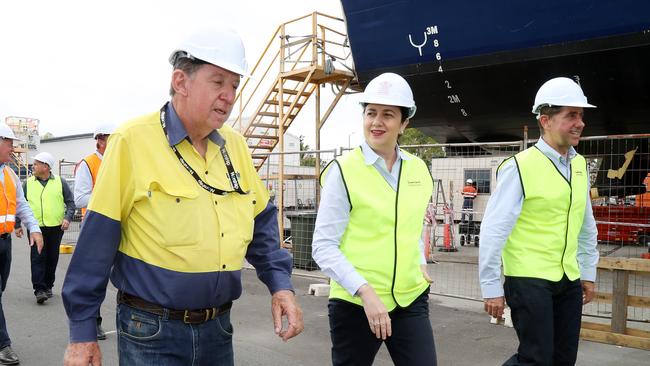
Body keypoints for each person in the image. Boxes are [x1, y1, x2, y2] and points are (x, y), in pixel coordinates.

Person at [62, 26, 303, 366]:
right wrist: (82, 333)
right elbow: (96, 244)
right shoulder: (132, 141)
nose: (229, 95)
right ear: (181, 81)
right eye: (218, 82)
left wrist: (281, 286)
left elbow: (261, 221)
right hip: (151, 331)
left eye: (234, 85)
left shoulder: (235, 146)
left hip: (219, 329)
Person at [312, 72, 437, 366]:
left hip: (410, 298)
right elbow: (323, 246)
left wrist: (418, 259)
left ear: (404, 123)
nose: (377, 122)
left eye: (388, 115)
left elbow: (412, 226)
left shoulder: (419, 170)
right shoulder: (342, 171)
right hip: (355, 302)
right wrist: (365, 292)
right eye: (371, 113)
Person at [478, 77, 600, 365]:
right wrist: (492, 287)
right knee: (536, 358)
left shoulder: (579, 165)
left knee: (563, 358)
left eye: (581, 115)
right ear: (545, 120)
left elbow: (585, 224)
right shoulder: (519, 167)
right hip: (529, 279)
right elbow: (494, 230)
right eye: (571, 115)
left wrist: (587, 271)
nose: (580, 123)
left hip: (567, 278)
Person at [0, 122, 44, 365]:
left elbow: (21, 204)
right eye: (9, 143)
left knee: (1, 291)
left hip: (4, 244)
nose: (13, 149)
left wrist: (34, 229)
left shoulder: (10, 173)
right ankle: (3, 346)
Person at [72, 123, 114, 340]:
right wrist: (111, 198)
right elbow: (80, 198)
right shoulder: (88, 164)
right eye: (107, 138)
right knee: (94, 280)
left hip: (118, 226)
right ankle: (93, 322)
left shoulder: (119, 161)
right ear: (100, 140)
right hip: (95, 228)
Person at [17, 152, 75, 304]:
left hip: (56, 227)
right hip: (36, 228)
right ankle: (39, 290)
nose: (33, 166)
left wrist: (67, 218)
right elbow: (19, 204)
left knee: (52, 258)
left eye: (36, 164)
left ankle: (48, 285)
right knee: (37, 257)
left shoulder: (60, 182)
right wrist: (17, 225)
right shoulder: (28, 183)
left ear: (46, 167)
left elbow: (70, 203)